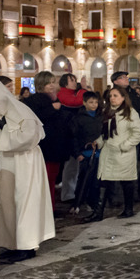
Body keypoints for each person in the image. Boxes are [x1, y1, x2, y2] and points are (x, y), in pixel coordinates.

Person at [0, 42, 54, 264]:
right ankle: (12, 243)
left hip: (26, 163)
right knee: (7, 203)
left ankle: (27, 245)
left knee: (25, 202)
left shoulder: (23, 112)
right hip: (5, 163)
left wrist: (2, 129)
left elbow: (28, 138)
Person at [89, 86, 140, 220]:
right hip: (108, 152)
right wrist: (99, 142)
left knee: (126, 181)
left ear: (123, 97)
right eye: (110, 96)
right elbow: (105, 133)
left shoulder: (130, 113)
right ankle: (98, 212)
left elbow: (138, 132)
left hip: (123, 154)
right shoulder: (107, 112)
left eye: (115, 96)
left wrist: (124, 146)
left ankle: (128, 209)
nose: (112, 98)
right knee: (104, 181)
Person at [22, 71, 70, 209]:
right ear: (41, 84)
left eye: (53, 82)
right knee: (45, 179)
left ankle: (50, 207)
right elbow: (35, 119)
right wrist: (53, 109)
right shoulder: (36, 100)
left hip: (54, 146)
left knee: (51, 179)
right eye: (49, 82)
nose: (52, 85)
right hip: (45, 147)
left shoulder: (53, 98)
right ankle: (46, 209)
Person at [57, 73, 87, 202]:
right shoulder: (63, 94)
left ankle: (75, 191)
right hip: (68, 134)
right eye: (72, 80)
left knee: (76, 166)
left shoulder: (74, 92)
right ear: (65, 83)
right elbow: (76, 102)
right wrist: (84, 89)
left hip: (77, 132)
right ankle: (68, 194)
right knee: (70, 166)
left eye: (75, 80)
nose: (75, 83)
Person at [73, 92, 104, 216]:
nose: (94, 105)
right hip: (86, 153)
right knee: (84, 179)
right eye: (91, 102)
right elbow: (74, 137)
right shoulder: (79, 118)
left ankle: (94, 202)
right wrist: (77, 153)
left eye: (96, 102)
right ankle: (78, 202)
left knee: (96, 181)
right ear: (84, 103)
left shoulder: (100, 117)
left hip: (99, 153)